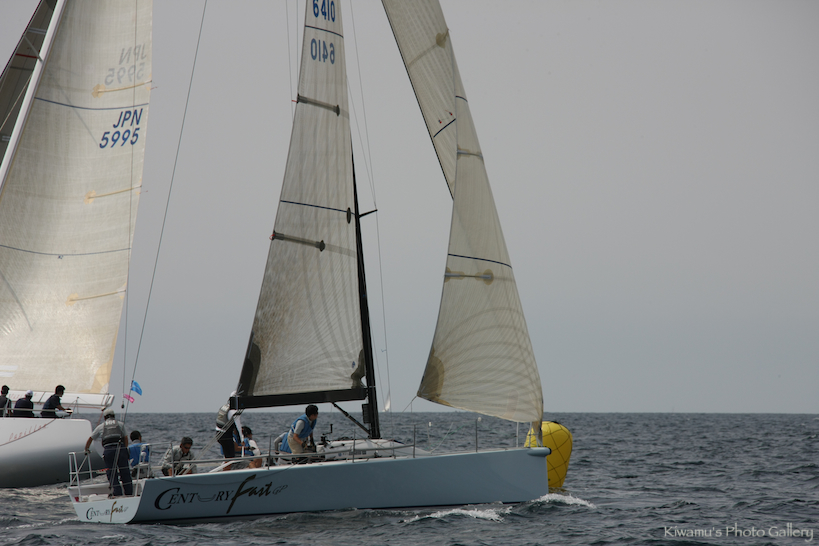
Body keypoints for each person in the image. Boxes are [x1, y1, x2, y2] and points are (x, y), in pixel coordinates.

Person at [85, 408, 133, 496]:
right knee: (125, 471)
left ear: (105, 417)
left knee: (111, 473)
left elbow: (91, 438)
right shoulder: (120, 424)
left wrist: (86, 449)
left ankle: (117, 492)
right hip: (120, 450)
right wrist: (124, 449)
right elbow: (126, 438)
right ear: (114, 416)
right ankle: (129, 493)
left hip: (109, 451)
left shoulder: (101, 426)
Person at [215, 396, 242, 468]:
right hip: (226, 436)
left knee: (227, 457)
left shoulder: (224, 407)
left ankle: (225, 470)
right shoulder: (233, 412)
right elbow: (238, 427)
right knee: (230, 457)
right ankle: (226, 472)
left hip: (218, 434)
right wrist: (241, 440)